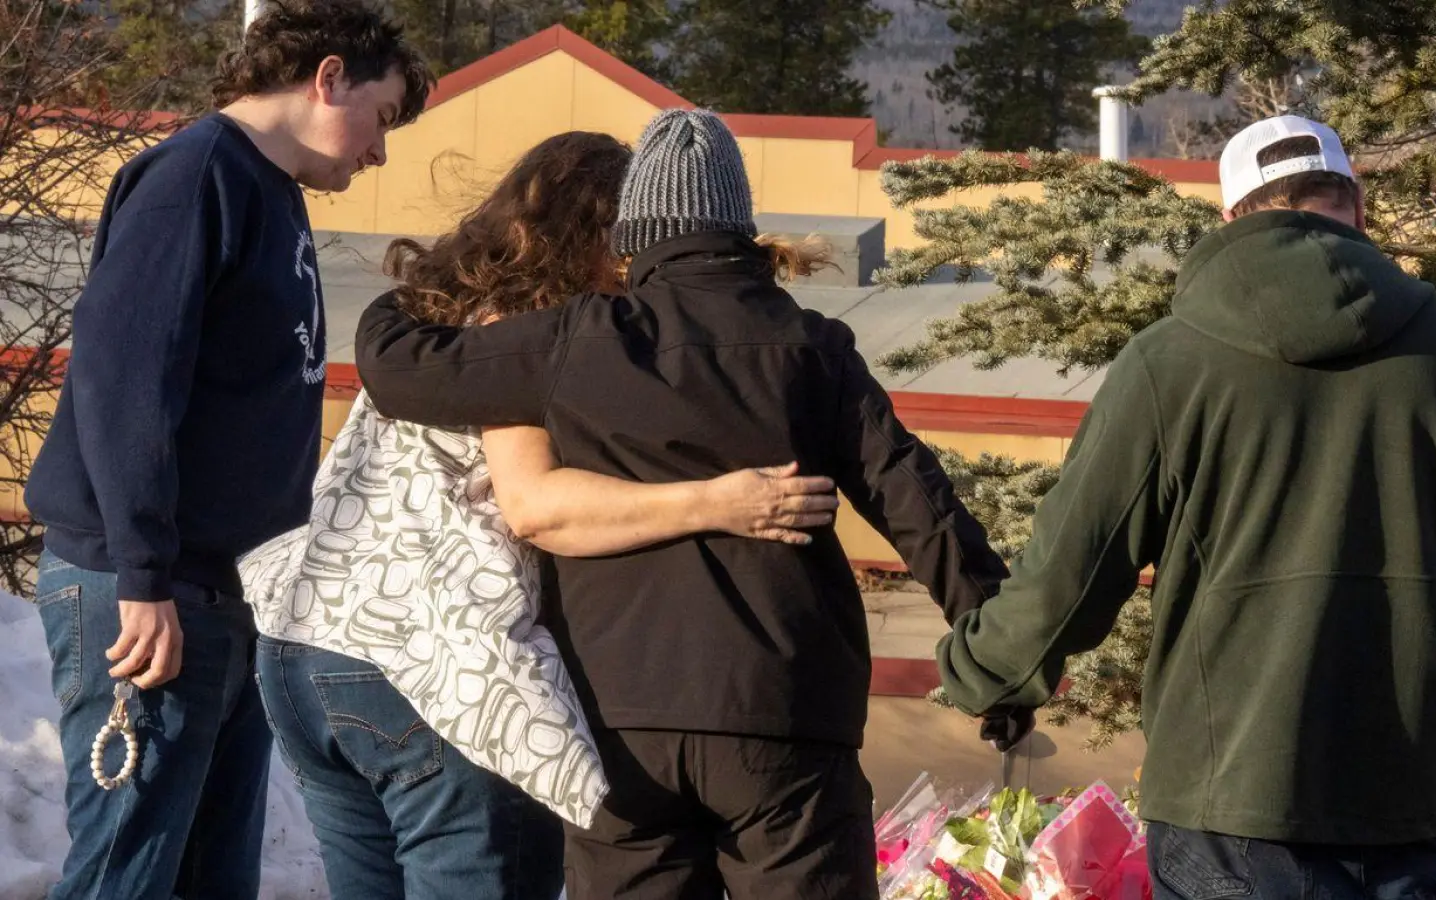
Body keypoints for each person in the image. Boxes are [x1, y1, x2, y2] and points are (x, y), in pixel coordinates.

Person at [353, 107, 1021, 900]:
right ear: (740, 226)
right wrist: (1004, 666)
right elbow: (922, 508)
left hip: (621, 718)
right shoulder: (812, 349)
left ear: (635, 230)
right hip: (787, 718)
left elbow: (393, 368)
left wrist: (453, 269)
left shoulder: (574, 339)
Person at [935, 114, 1436, 898]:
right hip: (1413, 802)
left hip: (1230, 813)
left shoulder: (1170, 363)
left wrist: (979, 673)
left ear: (1231, 221)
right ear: (1356, 207)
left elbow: (1069, 580)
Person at [242, 130, 842, 900]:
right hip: (428, 666)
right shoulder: (529, 335)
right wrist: (722, 501)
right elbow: (535, 507)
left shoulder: (438, 316)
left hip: (304, 644)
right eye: (627, 240)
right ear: (591, 234)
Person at [23, 2, 432, 897]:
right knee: (125, 873)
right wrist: (142, 574)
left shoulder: (269, 192)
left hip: (226, 588)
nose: (379, 152)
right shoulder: (193, 179)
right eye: (384, 118)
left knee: (212, 873)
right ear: (329, 77)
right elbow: (125, 379)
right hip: (151, 592)